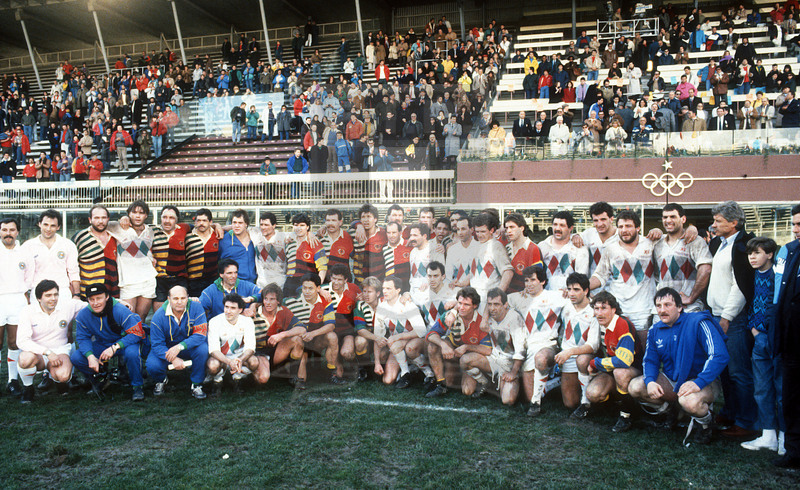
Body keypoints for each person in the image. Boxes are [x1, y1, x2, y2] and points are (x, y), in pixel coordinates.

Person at [629, 288, 729, 445]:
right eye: (659, 306)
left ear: (680, 307)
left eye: (668, 305)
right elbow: (650, 361)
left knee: (689, 401)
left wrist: (698, 382)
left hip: (704, 380)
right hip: (673, 380)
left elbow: (719, 355)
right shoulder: (655, 330)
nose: (662, 310)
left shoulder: (698, 322)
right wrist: (650, 381)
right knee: (636, 386)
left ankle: (707, 423)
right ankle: (674, 412)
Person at [707, 201, 757, 439]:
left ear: (734, 222)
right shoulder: (720, 243)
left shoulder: (743, 246)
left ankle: (746, 422)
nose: (713, 225)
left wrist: (727, 316)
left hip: (733, 318)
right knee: (725, 371)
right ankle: (730, 412)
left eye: (718, 221)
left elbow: (741, 286)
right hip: (717, 314)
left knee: (739, 371)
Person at [738, 237, 784, 453]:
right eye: (750, 253)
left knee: (782, 388)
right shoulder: (753, 274)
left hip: (778, 337)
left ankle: (786, 436)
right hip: (760, 337)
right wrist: (754, 328)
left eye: (757, 253)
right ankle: (768, 434)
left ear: (770, 254)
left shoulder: (780, 275)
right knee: (762, 387)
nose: (752, 257)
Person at [502, 265, 567, 415]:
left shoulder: (556, 297)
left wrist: (567, 292)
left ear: (543, 281)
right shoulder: (516, 298)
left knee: (541, 359)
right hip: (526, 348)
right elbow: (496, 301)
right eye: (526, 280)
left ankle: (537, 401)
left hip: (547, 345)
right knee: (528, 396)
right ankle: (553, 382)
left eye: (533, 280)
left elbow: (580, 299)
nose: (529, 284)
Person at [589, 210, 656, 343]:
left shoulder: (651, 244)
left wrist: (692, 229)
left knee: (642, 352)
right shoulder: (610, 249)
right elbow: (600, 275)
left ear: (638, 227)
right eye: (620, 227)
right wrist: (583, 287)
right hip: (619, 308)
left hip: (644, 309)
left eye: (628, 226)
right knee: (619, 352)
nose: (624, 230)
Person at [70, 283, 146, 401]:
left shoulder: (120, 310)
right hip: (103, 343)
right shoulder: (83, 315)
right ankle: (101, 379)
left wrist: (115, 347)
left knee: (132, 354)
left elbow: (136, 333)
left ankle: (137, 386)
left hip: (124, 343)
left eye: (99, 298)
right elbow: (82, 338)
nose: (95, 303)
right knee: (77, 357)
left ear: (106, 297)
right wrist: (90, 356)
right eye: (92, 299)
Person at [16, 280, 84, 403]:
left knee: (63, 376)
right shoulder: (27, 311)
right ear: (38, 298)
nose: (53, 299)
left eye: (55, 294)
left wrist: (119, 303)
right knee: (24, 359)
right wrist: (47, 352)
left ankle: (58, 381)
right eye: (48, 295)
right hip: (38, 354)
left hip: (60, 350)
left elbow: (94, 304)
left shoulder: (67, 305)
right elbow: (22, 341)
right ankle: (28, 389)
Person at [584, 291, 643, 432]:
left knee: (620, 372)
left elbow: (623, 361)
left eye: (604, 308)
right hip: (612, 368)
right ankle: (618, 404)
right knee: (593, 394)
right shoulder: (597, 324)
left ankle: (626, 415)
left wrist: (595, 363)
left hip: (633, 369)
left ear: (614, 309)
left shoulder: (622, 324)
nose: (599, 313)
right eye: (596, 309)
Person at [771, 203, 800, 468]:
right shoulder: (791, 252)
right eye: (793, 225)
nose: (796, 230)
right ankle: (793, 451)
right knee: (791, 396)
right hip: (791, 340)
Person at [461, 287, 523, 404]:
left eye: (496, 304)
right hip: (493, 359)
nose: (492, 308)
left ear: (505, 305)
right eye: (489, 304)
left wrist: (513, 373)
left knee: (508, 400)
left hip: (509, 363)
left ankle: (514, 383)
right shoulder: (488, 317)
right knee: (465, 361)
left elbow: (520, 350)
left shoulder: (514, 318)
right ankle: (486, 382)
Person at [425, 287, 491, 397]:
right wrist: (443, 345)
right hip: (455, 355)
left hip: (469, 360)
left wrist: (466, 347)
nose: (461, 307)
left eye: (466, 305)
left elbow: (487, 349)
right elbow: (430, 334)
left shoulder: (481, 322)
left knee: (467, 391)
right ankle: (441, 384)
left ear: (475, 306)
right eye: (459, 303)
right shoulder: (450, 316)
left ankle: (484, 380)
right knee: (433, 346)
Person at [146, 285, 209, 400]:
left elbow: (200, 334)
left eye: (183, 298)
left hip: (188, 346)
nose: (179, 302)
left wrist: (180, 347)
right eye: (175, 299)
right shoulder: (158, 317)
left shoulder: (197, 308)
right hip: (167, 348)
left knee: (203, 349)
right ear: (168, 299)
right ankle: (161, 380)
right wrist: (173, 359)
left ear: (188, 298)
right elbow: (157, 344)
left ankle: (197, 384)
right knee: (152, 365)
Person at [653, 204, 712, 314]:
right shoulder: (657, 245)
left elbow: (706, 269)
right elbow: (657, 276)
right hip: (663, 310)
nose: (668, 220)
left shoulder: (694, 241)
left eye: (673, 217)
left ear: (683, 219)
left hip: (689, 309)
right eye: (665, 217)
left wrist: (691, 298)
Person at [283, 273, 341, 385]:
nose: (307, 291)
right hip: (299, 341)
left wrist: (313, 334)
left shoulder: (325, 301)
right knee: (302, 381)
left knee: (332, 336)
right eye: (304, 288)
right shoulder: (291, 301)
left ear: (318, 289)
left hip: (316, 340)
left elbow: (331, 325)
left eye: (311, 288)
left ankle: (331, 374)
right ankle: (294, 372)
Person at [555, 273, 599, 418]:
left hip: (585, 357)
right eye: (569, 289)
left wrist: (569, 352)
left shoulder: (595, 310)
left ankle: (586, 401)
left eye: (576, 289)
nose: (572, 293)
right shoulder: (565, 305)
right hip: (567, 357)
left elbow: (593, 346)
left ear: (586, 290)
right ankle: (555, 380)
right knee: (569, 403)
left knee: (582, 359)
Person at [0, 217, 35, 395]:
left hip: (17, 300)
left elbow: (29, 277)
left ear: (17, 232)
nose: (8, 233)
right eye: (4, 229)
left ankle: (12, 381)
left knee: (14, 342)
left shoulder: (24, 252)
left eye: (12, 230)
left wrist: (24, 293)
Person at [373, 276, 427, 387]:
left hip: (414, 340)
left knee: (408, 347)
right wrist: (377, 363)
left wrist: (399, 337)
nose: (384, 291)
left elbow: (422, 331)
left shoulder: (407, 303)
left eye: (389, 288)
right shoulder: (381, 308)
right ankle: (407, 372)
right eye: (384, 288)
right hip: (396, 346)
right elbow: (377, 337)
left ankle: (429, 374)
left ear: (398, 290)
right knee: (388, 380)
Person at [21, 209, 81, 306]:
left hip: (62, 292)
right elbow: (23, 273)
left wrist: (77, 294)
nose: (48, 229)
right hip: (38, 292)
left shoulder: (68, 245)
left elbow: (73, 271)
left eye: (53, 226)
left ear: (58, 227)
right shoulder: (28, 246)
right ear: (39, 224)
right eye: (45, 224)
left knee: (63, 321)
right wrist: (25, 295)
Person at [252, 283, 305, 386]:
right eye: (266, 299)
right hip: (259, 353)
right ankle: (253, 372)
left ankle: (293, 377)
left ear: (278, 301)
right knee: (262, 379)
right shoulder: (253, 314)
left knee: (297, 340)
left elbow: (302, 329)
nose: (268, 303)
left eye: (272, 299)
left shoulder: (283, 311)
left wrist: (282, 335)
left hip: (277, 352)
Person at [206, 293, 258, 394]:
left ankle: (237, 379)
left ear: (240, 310)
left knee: (254, 362)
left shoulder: (247, 321)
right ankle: (218, 382)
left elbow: (250, 347)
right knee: (213, 365)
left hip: (239, 357)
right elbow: (213, 350)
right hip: (221, 357)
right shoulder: (214, 322)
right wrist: (229, 362)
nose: (228, 311)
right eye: (226, 307)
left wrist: (240, 360)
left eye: (233, 308)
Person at [72, 204, 119, 300]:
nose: (100, 221)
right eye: (96, 218)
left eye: (103, 218)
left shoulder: (116, 237)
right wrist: (75, 293)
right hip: (88, 293)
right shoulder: (80, 237)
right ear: (90, 220)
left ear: (108, 219)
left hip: (112, 292)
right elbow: (70, 266)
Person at [537, 211, 590, 292]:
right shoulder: (542, 246)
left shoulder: (579, 248)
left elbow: (582, 277)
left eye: (562, 225)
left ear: (570, 228)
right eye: (555, 224)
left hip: (569, 297)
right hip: (546, 296)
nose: (557, 228)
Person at [186, 208, 220, 298]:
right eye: (199, 220)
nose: (201, 223)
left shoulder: (218, 236)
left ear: (210, 222)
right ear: (195, 222)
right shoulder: (188, 236)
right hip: (193, 282)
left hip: (212, 280)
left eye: (204, 220)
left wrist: (218, 226)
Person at [218, 209, 258, 285]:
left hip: (253, 284)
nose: (237, 226)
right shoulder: (224, 240)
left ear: (246, 224)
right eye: (234, 222)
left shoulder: (254, 237)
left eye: (240, 223)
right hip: (234, 285)